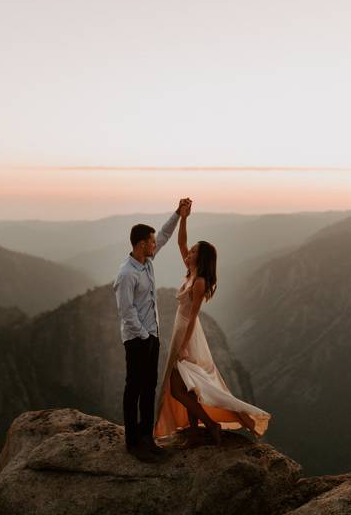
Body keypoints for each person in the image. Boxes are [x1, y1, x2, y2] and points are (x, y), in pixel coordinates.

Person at [153, 200, 271, 445]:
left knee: (177, 386)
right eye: (192, 250)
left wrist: (183, 346)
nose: (189, 253)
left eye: (195, 251)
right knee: (187, 385)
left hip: (187, 332)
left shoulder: (199, 282)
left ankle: (210, 424)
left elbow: (194, 315)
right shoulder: (192, 273)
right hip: (180, 330)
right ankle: (196, 426)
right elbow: (180, 242)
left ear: (202, 258)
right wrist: (184, 217)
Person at [114, 198, 191, 462]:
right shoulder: (126, 274)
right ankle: (132, 441)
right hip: (137, 339)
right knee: (133, 388)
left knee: (149, 387)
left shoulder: (146, 261)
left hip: (151, 336)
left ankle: (147, 437)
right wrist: (144, 336)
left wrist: (179, 214)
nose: (154, 243)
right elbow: (125, 312)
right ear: (140, 244)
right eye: (150, 241)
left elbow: (166, 235)